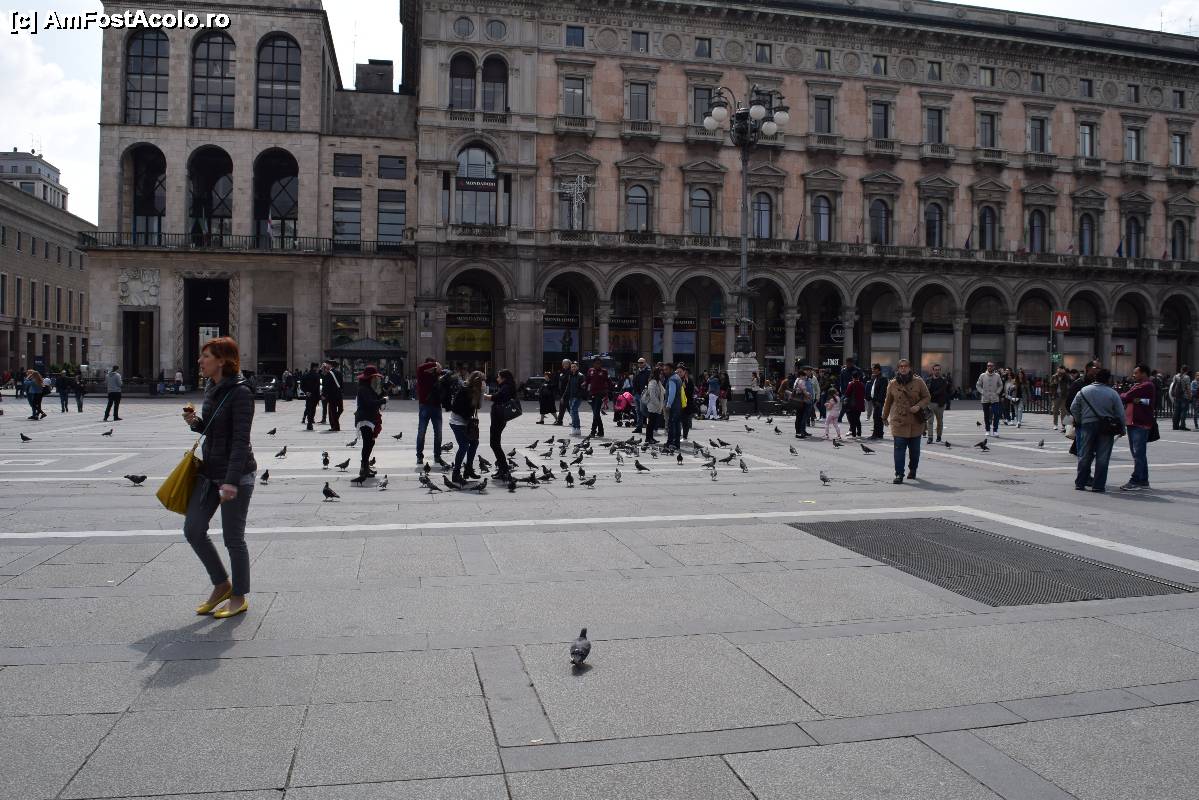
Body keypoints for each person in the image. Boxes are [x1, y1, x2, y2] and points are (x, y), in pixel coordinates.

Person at [181, 336, 257, 619]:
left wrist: (231, 481)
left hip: (235, 475)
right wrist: (196, 424)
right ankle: (222, 584)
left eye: (206, 356)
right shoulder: (212, 388)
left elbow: (240, 441)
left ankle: (238, 597)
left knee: (233, 539)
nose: (200, 361)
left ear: (223, 361)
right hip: (210, 471)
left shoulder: (241, 393)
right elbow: (215, 431)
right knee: (193, 529)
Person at [1071, 368, 1126, 493]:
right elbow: (1120, 413)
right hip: (1106, 427)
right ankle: (1098, 485)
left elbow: (1073, 408)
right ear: (1108, 379)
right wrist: (1122, 428)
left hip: (1087, 425)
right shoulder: (1112, 393)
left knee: (1085, 454)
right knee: (1103, 457)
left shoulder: (1084, 391)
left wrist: (1080, 420)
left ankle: (1080, 483)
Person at [883, 358, 931, 484]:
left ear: (910, 368)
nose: (903, 368)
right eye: (901, 366)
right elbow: (888, 401)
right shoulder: (893, 383)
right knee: (899, 449)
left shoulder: (918, 382)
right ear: (898, 369)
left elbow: (927, 397)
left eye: (905, 366)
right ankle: (899, 474)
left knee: (914, 451)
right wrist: (884, 416)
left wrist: (918, 406)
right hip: (899, 421)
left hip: (915, 422)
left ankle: (913, 469)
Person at [1119, 364, 1156, 491]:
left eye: (1136, 373)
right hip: (1133, 422)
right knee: (1138, 453)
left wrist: (1132, 398)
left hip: (1139, 423)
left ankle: (1135, 480)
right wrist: (1134, 399)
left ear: (1144, 373)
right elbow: (1132, 398)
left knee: (1138, 453)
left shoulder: (1146, 385)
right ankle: (1143, 480)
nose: (1134, 375)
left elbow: (1125, 396)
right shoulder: (1138, 385)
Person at [450, 370, 484, 484]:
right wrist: (467, 417)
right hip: (457, 422)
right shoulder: (464, 390)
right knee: (464, 445)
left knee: (474, 443)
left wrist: (481, 392)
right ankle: (455, 474)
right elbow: (456, 407)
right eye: (482, 381)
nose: (484, 383)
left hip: (466, 422)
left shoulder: (476, 391)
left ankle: (468, 469)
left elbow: (478, 406)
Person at [353, 365, 386, 481]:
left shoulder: (368, 388)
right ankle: (364, 468)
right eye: (374, 377)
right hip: (364, 419)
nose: (376, 379)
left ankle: (365, 467)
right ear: (370, 378)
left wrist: (382, 392)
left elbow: (375, 397)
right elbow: (370, 403)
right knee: (367, 443)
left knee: (370, 443)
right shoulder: (363, 389)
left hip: (368, 418)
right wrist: (382, 400)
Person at [486, 369, 516, 481]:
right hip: (500, 419)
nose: (497, 379)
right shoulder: (506, 386)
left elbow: (497, 397)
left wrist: (485, 395)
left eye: (498, 377)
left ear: (503, 378)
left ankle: (504, 470)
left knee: (494, 444)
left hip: (498, 419)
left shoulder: (506, 387)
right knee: (495, 444)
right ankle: (502, 469)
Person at [414, 357, 444, 465]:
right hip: (425, 406)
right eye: (430, 367)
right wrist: (435, 363)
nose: (432, 369)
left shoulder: (437, 376)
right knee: (421, 432)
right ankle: (419, 456)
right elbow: (420, 368)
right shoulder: (421, 374)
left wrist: (437, 370)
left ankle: (437, 455)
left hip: (436, 407)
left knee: (438, 433)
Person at [975, 361, 1003, 437]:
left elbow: (1001, 385)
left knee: (996, 414)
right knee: (986, 415)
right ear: (987, 367)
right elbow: (978, 385)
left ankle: (995, 430)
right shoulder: (982, 375)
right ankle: (987, 429)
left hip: (995, 398)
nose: (989, 367)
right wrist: (982, 392)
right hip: (985, 398)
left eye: (991, 366)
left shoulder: (997, 376)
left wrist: (997, 392)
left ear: (993, 367)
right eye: (988, 365)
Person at [585, 358, 611, 437]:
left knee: (596, 413)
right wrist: (584, 384)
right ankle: (601, 431)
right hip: (591, 394)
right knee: (596, 414)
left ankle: (593, 431)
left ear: (601, 364)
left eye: (599, 363)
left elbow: (608, 381)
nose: (597, 365)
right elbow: (587, 380)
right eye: (596, 363)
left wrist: (608, 391)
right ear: (593, 364)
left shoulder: (604, 371)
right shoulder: (590, 371)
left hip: (600, 394)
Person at [925, 363, 951, 443]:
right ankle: (930, 437)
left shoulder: (943, 380)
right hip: (930, 403)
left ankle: (939, 436)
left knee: (939, 421)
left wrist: (931, 394)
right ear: (933, 371)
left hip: (940, 404)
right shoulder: (928, 380)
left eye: (939, 370)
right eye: (936, 370)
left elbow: (942, 391)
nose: (937, 371)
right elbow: (925, 390)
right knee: (930, 421)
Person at [642, 364, 665, 444]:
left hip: (657, 406)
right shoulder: (653, 382)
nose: (662, 375)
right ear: (657, 374)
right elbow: (652, 396)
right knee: (651, 423)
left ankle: (651, 437)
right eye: (660, 373)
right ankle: (648, 438)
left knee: (653, 423)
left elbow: (663, 391)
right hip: (653, 406)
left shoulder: (658, 382)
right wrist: (658, 404)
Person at [665, 363, 685, 451]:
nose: (665, 371)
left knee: (672, 425)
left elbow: (672, 393)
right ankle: (676, 444)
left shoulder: (672, 379)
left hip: (673, 406)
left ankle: (671, 443)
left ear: (671, 369)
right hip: (678, 405)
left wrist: (668, 405)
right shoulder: (678, 378)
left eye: (666, 369)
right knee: (677, 425)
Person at [563, 361, 585, 436]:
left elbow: (583, 387)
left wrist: (579, 395)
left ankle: (576, 428)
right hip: (571, 397)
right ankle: (575, 428)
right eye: (572, 367)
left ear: (577, 367)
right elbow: (568, 387)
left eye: (574, 366)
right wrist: (564, 396)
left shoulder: (581, 376)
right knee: (573, 412)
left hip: (577, 397)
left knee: (574, 411)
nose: (573, 368)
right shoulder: (570, 375)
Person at [1169, 366, 1192, 430]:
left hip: (1176, 396)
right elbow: (1188, 388)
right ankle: (1182, 426)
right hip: (1184, 397)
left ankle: (1175, 426)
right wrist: (1190, 396)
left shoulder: (1176, 376)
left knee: (1176, 411)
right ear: (1187, 370)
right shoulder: (1187, 377)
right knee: (1183, 411)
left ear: (1181, 369)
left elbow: (1173, 385)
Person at [300, 363, 321, 430]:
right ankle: (310, 423)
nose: (317, 369)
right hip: (315, 395)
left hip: (308, 395)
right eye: (317, 367)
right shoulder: (317, 375)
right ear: (314, 367)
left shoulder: (305, 375)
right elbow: (317, 386)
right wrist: (318, 396)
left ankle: (309, 423)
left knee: (309, 408)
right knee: (313, 409)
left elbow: (301, 385)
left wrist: (306, 392)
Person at [792, 368, 812, 438]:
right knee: (801, 416)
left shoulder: (797, 380)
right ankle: (800, 432)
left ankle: (798, 432)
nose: (805, 377)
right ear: (801, 375)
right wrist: (808, 395)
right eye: (804, 375)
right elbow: (804, 391)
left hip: (797, 400)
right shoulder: (801, 381)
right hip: (801, 401)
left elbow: (795, 389)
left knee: (798, 416)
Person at [844, 372, 865, 438]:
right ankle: (859, 433)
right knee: (857, 419)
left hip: (852, 405)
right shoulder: (862, 384)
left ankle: (854, 434)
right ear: (858, 377)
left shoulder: (851, 384)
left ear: (852, 377)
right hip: (860, 404)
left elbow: (847, 393)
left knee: (852, 420)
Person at [1049, 366, 1070, 432]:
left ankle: (1063, 425)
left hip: (1064, 395)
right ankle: (1055, 424)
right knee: (1055, 410)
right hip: (1056, 395)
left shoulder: (1066, 377)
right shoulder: (1054, 376)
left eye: (1061, 371)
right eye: (1059, 371)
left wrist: (1064, 374)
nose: (1059, 372)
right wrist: (1054, 383)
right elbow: (1050, 385)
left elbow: (1069, 383)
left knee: (1063, 411)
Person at [554, 358, 573, 426]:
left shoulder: (570, 372)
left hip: (567, 392)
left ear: (569, 364)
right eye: (563, 364)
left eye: (566, 364)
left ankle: (560, 421)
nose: (565, 365)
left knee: (565, 407)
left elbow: (568, 382)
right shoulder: (561, 372)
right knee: (564, 407)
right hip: (562, 393)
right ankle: (560, 421)